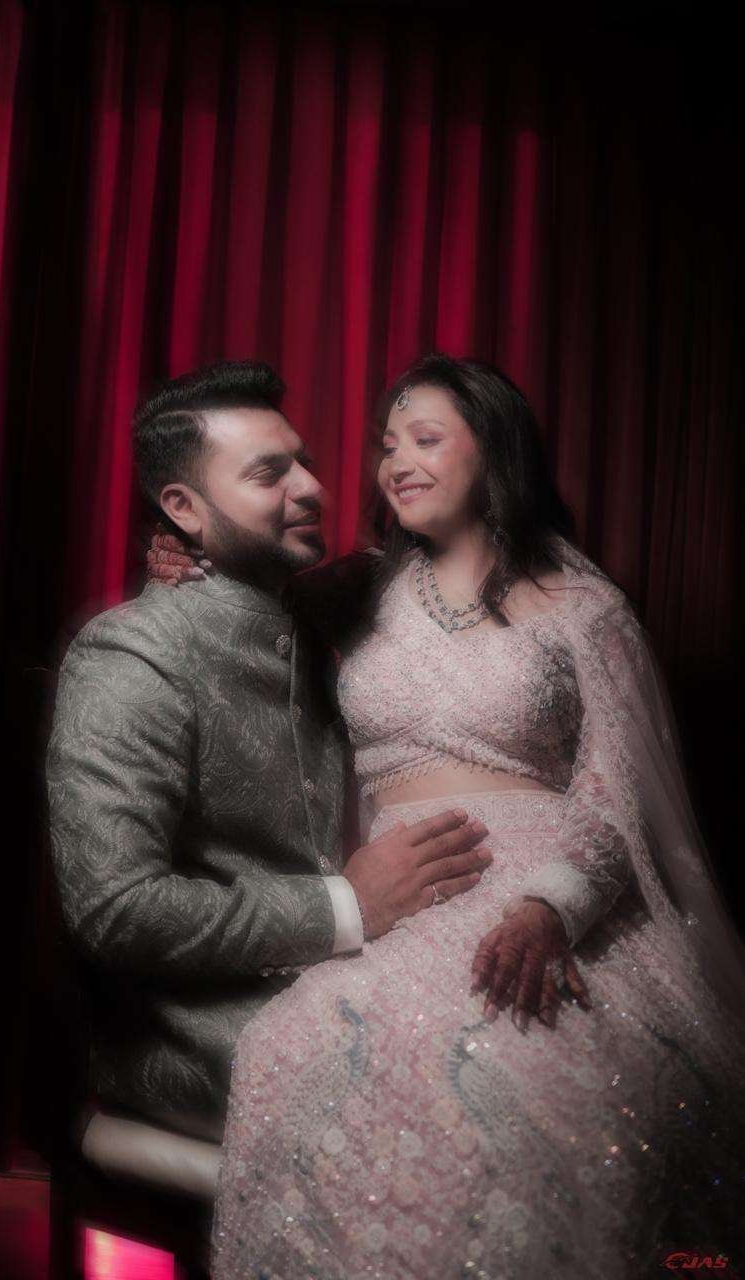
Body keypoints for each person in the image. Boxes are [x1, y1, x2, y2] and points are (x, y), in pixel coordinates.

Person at [150, 354, 745, 1277]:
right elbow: (235, 616)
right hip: (401, 893)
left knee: (526, 1068)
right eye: (388, 446)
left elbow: (616, 788)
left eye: (424, 439)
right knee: (287, 1044)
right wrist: (182, 558)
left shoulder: (585, 608)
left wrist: (551, 908)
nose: (397, 462)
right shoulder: (354, 592)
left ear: (493, 450)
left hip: (551, 892)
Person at [44, 360, 492, 1146]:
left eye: (304, 463)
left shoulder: (313, 608)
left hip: (356, 991)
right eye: (268, 473)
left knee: (524, 1057)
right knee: (463, 1103)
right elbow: (115, 909)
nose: (312, 488)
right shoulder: (131, 653)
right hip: (199, 1039)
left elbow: (423, 557)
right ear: (181, 507)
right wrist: (346, 905)